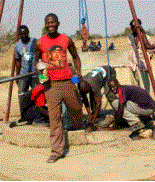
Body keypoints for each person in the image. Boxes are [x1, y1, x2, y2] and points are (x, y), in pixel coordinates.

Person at [35, 13, 83, 163]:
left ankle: (78, 126)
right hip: (51, 86)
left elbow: (75, 56)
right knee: (54, 118)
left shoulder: (66, 39)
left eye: (53, 23)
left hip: (68, 82)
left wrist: (79, 74)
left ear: (58, 24)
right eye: (47, 23)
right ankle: (56, 151)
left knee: (75, 108)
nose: (50, 25)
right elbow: (37, 60)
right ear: (45, 24)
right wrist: (41, 72)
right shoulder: (39, 43)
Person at [78, 65, 116, 132]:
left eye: (87, 91)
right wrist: (89, 114)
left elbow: (99, 103)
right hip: (99, 73)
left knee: (109, 94)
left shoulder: (94, 85)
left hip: (109, 72)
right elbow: (85, 100)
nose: (86, 93)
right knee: (92, 95)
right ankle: (95, 115)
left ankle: (118, 112)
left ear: (89, 87)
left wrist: (92, 121)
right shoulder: (81, 84)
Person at [128, 19, 153, 93]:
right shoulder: (130, 37)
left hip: (143, 65)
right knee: (135, 84)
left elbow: (151, 51)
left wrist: (147, 61)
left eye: (134, 27)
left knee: (145, 84)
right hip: (133, 65)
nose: (133, 29)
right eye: (132, 27)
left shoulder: (146, 37)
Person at [14, 25, 39, 96]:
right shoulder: (17, 45)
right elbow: (18, 62)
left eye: (25, 33)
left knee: (37, 96)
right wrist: (17, 76)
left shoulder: (35, 42)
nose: (24, 35)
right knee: (22, 95)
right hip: (23, 75)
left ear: (28, 33)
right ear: (19, 35)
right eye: (21, 34)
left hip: (35, 74)